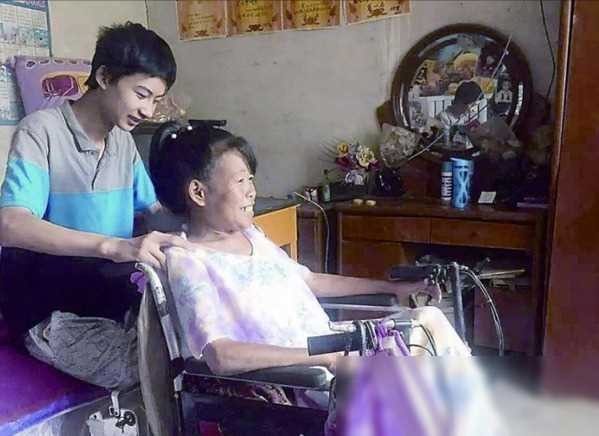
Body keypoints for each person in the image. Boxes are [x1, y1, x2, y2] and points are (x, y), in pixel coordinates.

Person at [150, 122, 470, 385]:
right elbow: (221, 355)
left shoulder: (253, 237)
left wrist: (391, 288)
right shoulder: (188, 259)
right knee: (428, 378)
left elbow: (308, 280)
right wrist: (324, 359)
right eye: (240, 181)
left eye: (251, 179)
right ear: (198, 192)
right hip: (301, 378)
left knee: (426, 323)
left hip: (333, 351)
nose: (252, 191)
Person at [0, 22, 192, 345]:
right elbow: (11, 225)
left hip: (102, 294)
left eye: (155, 100)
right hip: (47, 307)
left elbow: (153, 212)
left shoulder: (122, 142)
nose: (147, 110)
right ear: (104, 77)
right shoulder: (40, 131)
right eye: (141, 95)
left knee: (190, 342)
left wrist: (205, 228)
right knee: (149, 364)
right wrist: (113, 246)